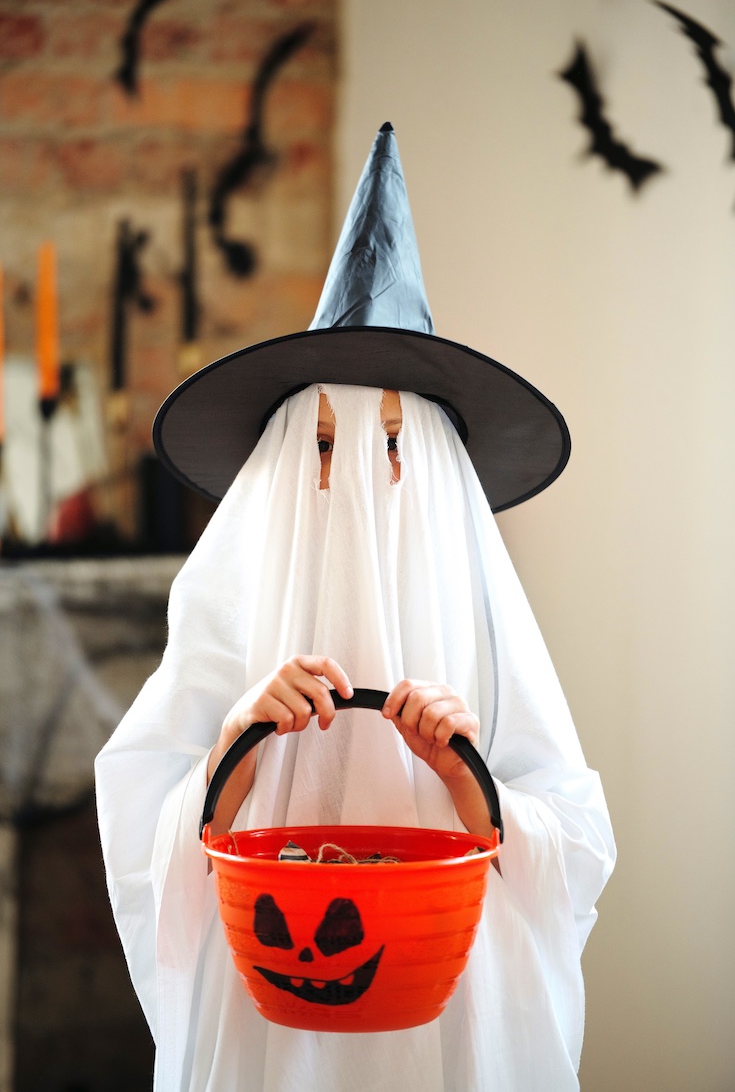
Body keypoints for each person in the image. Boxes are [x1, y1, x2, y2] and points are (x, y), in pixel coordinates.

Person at [95, 124, 615, 1092]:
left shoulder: (487, 625)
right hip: (264, 1027)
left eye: (390, 448)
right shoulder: (230, 610)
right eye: (324, 447)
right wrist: (233, 750)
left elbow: (578, 843)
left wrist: (474, 787)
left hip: (457, 1019)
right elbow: (141, 826)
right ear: (285, 467)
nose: (363, 486)